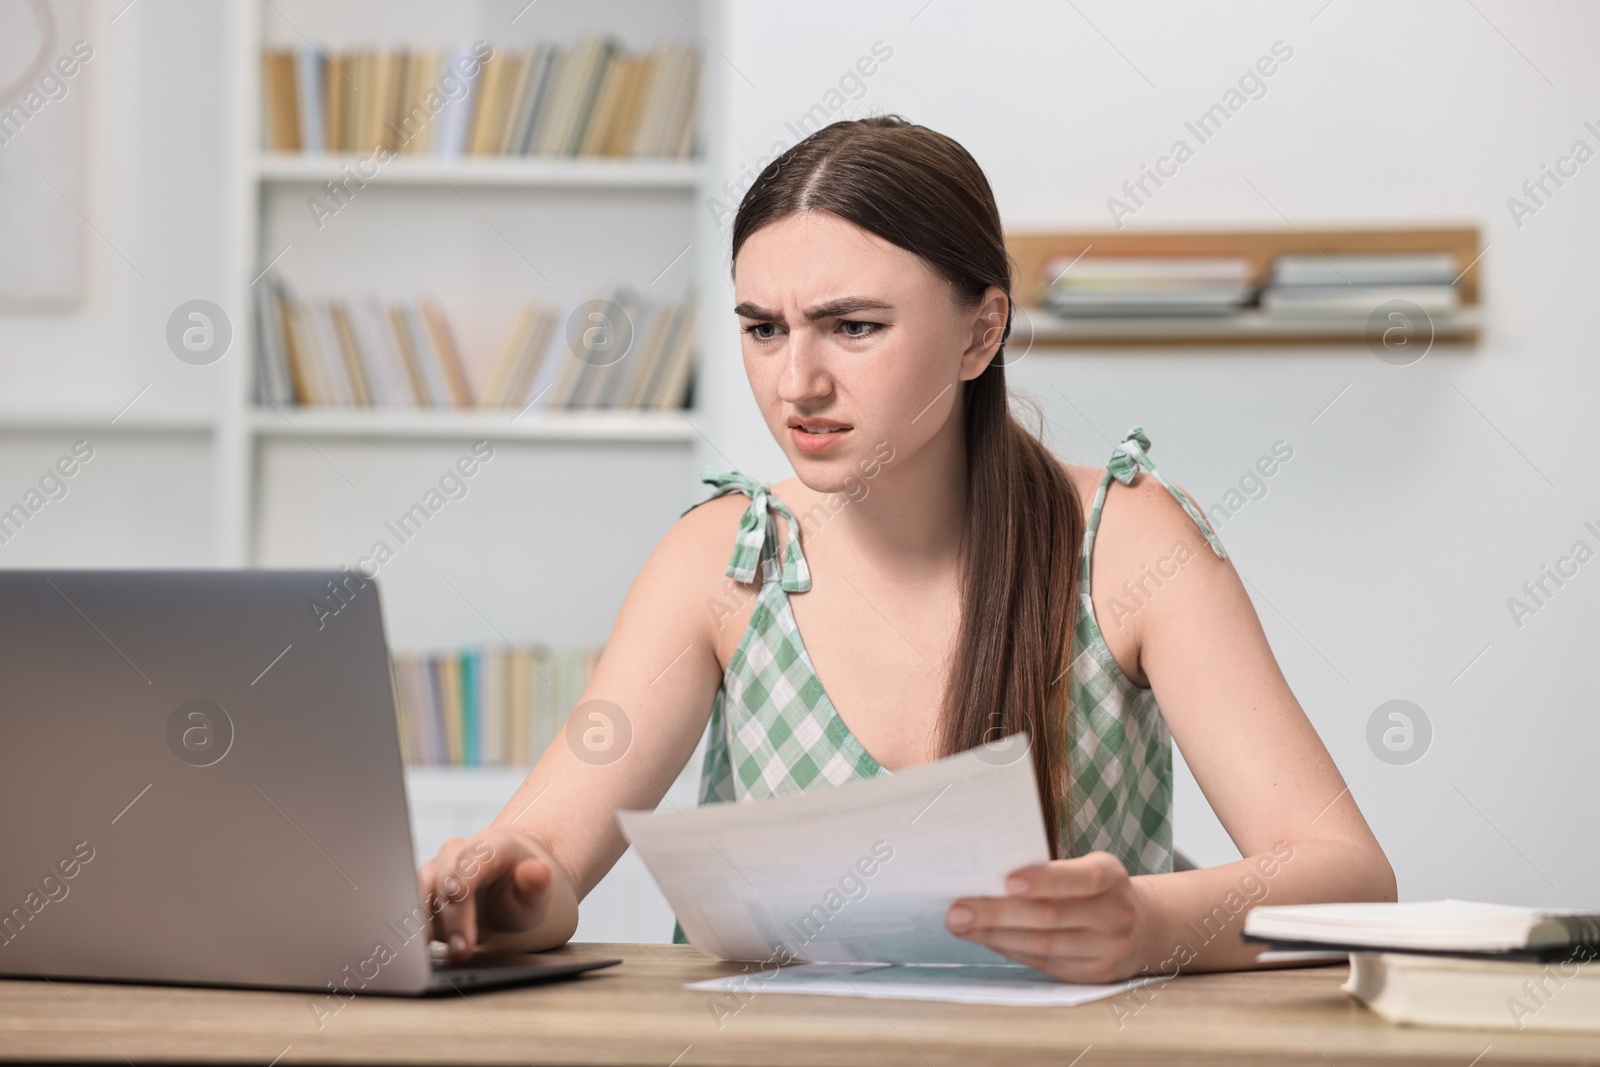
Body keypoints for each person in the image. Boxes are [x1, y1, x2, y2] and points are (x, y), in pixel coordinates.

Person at [419, 114, 1395, 984]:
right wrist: (509, 891)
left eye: (852, 326)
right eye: (763, 329)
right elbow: (547, 850)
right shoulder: (722, 555)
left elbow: (1345, 873)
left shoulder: (1128, 542)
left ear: (981, 333)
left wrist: (1147, 922)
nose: (796, 381)